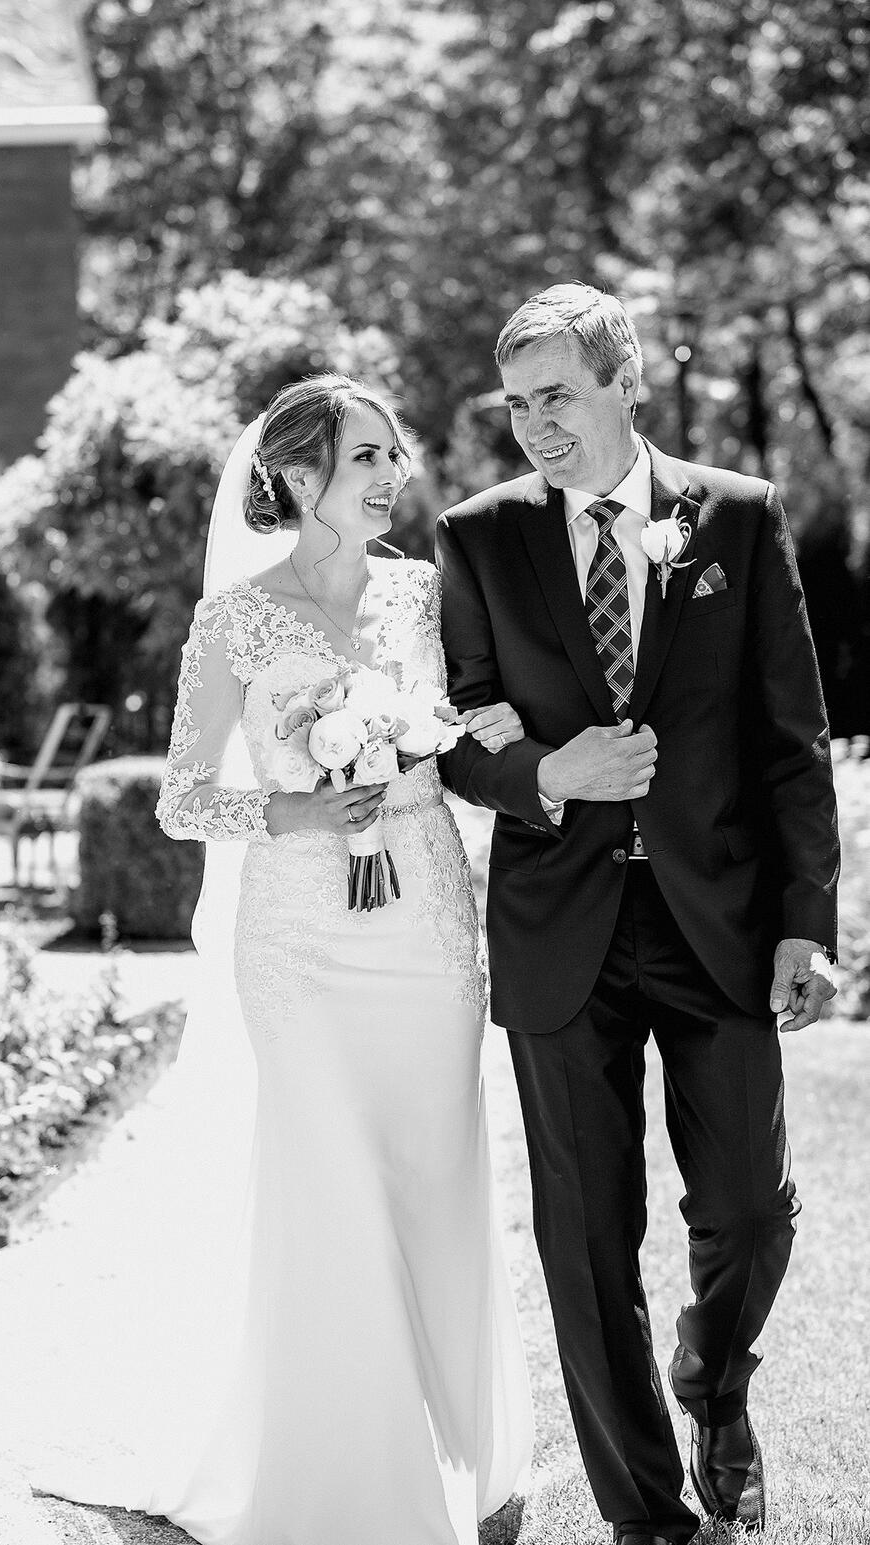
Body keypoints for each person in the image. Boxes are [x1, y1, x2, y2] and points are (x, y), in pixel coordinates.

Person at [436, 283, 840, 1545]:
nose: (534, 428)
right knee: (584, 1239)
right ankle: (644, 1519)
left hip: (714, 917)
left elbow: (790, 740)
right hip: (557, 932)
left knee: (748, 1208)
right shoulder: (478, 535)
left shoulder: (734, 516)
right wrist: (545, 775)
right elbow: (456, 728)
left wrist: (804, 921)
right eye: (516, 405)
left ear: (624, 382)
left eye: (555, 395)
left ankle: (711, 1379)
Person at [139, 373, 532, 1544]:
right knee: (333, 1188)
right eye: (364, 458)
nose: (389, 477)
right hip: (299, 940)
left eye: (391, 456)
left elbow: (473, 717)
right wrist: (300, 813)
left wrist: (467, 737)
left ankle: (465, 1454)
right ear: (298, 475)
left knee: (432, 1174)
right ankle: (352, 1480)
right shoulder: (233, 620)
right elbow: (181, 798)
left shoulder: (426, 590)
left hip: (422, 925)